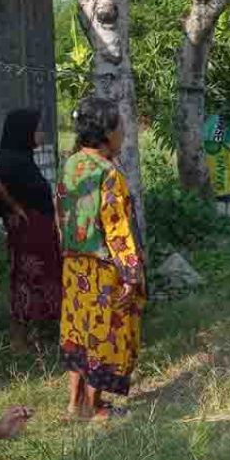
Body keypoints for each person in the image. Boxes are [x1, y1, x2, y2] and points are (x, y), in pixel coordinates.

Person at [57, 97, 145, 420]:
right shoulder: (109, 174)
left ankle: (75, 404)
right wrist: (131, 273)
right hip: (103, 268)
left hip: (74, 266)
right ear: (107, 133)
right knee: (103, 336)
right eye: (120, 126)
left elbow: (61, 216)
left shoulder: (71, 164)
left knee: (78, 332)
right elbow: (117, 228)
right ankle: (94, 408)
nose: (123, 132)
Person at [0, 109, 61, 353]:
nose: (41, 133)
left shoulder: (22, 161)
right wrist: (15, 206)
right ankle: (19, 340)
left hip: (38, 235)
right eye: (37, 129)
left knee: (39, 281)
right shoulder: (14, 166)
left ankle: (37, 335)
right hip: (29, 237)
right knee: (28, 283)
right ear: (24, 133)